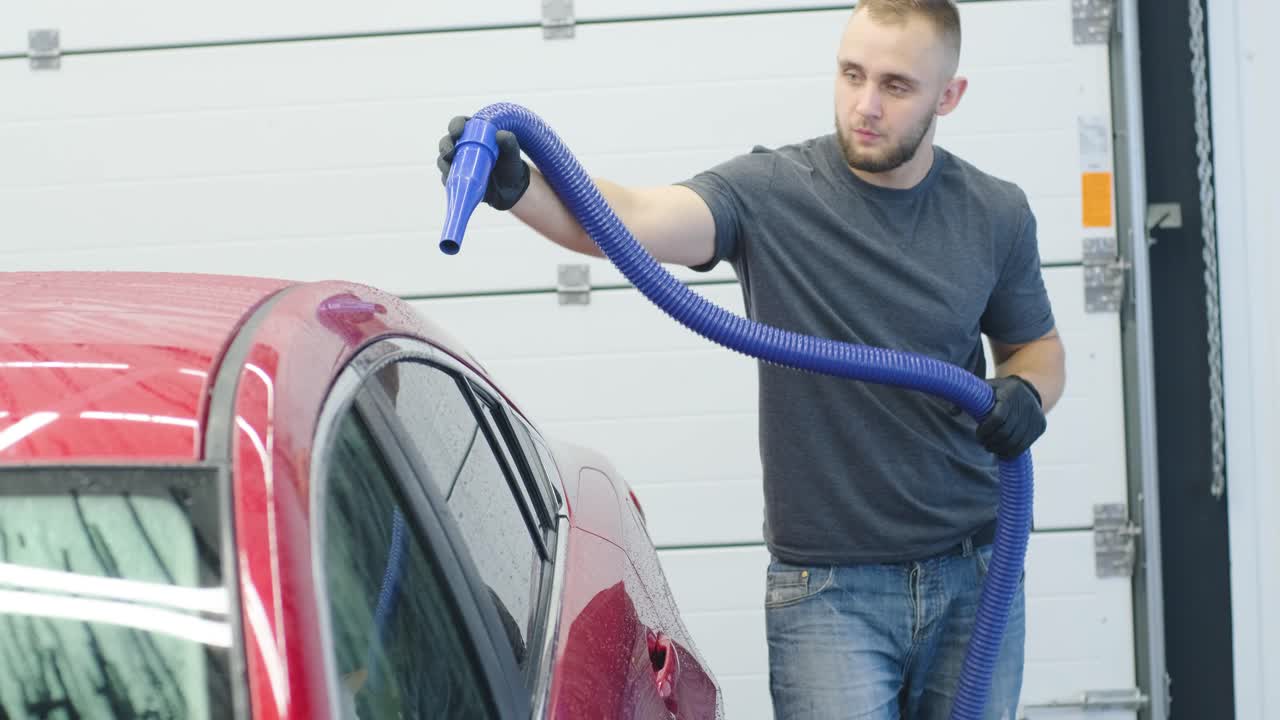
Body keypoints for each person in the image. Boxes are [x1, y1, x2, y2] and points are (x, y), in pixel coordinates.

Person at [438, 0, 1065, 716]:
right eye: (851, 74)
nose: (865, 105)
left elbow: (1036, 350)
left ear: (947, 97)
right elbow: (632, 219)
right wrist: (522, 191)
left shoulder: (994, 212)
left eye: (896, 86)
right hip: (831, 594)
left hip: (975, 573)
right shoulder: (772, 192)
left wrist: (1027, 394)